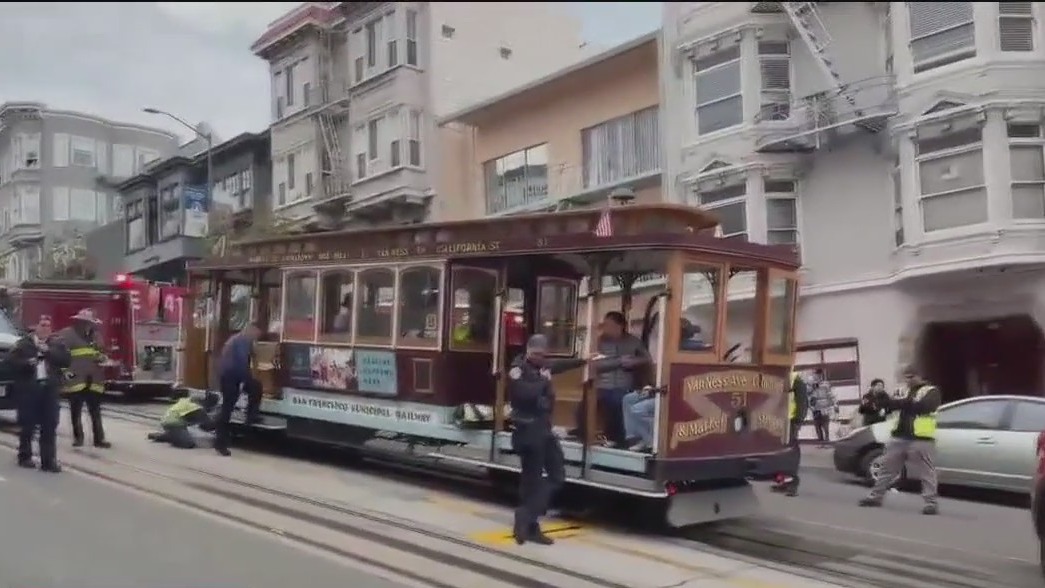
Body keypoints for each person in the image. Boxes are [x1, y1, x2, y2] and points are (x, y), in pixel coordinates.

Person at [509, 333, 585, 545]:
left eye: (545, 355)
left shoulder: (543, 367)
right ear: (529, 352)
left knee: (555, 475)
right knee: (533, 479)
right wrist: (543, 380)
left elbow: (560, 365)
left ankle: (528, 519)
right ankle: (528, 519)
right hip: (528, 430)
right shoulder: (517, 369)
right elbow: (524, 393)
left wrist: (586, 360)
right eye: (538, 354)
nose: (542, 358)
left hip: (543, 429)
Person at [859, 364, 941, 515]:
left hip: (921, 437)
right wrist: (886, 400)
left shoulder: (931, 391)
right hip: (900, 436)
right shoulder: (903, 391)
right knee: (886, 468)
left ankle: (930, 503)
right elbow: (889, 405)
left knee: (927, 472)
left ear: (920, 376)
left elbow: (925, 407)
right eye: (906, 377)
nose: (908, 380)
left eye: (911, 377)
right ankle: (875, 497)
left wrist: (902, 403)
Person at [570, 311, 650, 446]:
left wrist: (634, 362)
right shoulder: (598, 343)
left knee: (619, 401)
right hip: (601, 385)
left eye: (609, 325)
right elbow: (595, 363)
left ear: (619, 326)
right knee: (585, 404)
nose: (605, 328)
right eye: (605, 325)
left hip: (624, 385)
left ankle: (615, 438)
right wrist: (618, 362)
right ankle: (583, 434)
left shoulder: (634, 342)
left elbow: (646, 359)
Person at [11, 315, 70, 472]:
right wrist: (27, 363)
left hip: (49, 390)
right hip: (30, 390)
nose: (45, 329)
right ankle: (25, 456)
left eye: (48, 326)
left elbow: (65, 360)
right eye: (42, 325)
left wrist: (48, 352)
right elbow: (10, 363)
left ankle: (48, 460)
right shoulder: (23, 344)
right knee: (28, 424)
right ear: (35, 327)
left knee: (49, 425)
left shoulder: (56, 344)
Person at [58, 308, 111, 448]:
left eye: (91, 323)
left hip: (94, 380)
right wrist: (65, 373)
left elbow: (102, 352)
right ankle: (78, 437)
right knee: (76, 411)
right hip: (76, 379)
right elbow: (60, 355)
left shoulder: (96, 336)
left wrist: (103, 358)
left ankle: (99, 439)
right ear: (79, 322)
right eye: (87, 322)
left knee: (95, 412)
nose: (89, 325)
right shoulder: (67, 335)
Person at [214, 323, 262, 456]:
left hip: (232, 375)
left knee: (255, 387)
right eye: (256, 334)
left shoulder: (244, 340)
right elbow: (241, 363)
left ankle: (250, 417)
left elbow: (251, 356)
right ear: (251, 331)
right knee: (227, 407)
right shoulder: (240, 341)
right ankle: (220, 442)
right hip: (230, 376)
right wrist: (244, 381)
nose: (256, 337)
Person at [771, 370, 809, 496]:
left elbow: (802, 402)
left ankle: (793, 483)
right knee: (779, 453)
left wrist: (798, 420)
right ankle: (782, 481)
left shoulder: (795, 381)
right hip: (779, 421)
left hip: (790, 421)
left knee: (790, 453)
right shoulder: (778, 377)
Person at [148, 390, 219, 448]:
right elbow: (207, 425)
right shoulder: (196, 408)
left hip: (170, 421)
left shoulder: (187, 401)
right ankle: (169, 436)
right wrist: (219, 422)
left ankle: (170, 435)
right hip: (175, 424)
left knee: (191, 432)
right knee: (188, 443)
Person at [807, 368, 836, 446]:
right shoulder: (811, 384)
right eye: (816, 375)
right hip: (815, 408)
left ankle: (826, 441)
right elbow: (808, 394)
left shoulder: (826, 384)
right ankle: (820, 441)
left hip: (824, 408)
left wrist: (834, 404)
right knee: (817, 425)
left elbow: (830, 394)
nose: (817, 376)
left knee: (825, 425)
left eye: (819, 375)